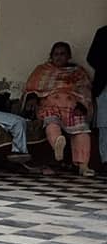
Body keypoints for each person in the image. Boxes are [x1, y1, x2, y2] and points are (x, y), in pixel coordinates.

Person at [25, 42, 96, 176]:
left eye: (62, 54)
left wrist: (82, 106)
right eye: (56, 54)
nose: (59, 57)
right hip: (50, 106)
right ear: (51, 56)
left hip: (72, 107)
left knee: (82, 129)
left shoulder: (78, 72)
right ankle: (58, 143)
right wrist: (32, 98)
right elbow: (31, 88)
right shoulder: (42, 70)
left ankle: (83, 166)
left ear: (68, 56)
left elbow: (85, 89)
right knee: (51, 122)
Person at [89, 26, 107, 165]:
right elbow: (92, 58)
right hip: (105, 84)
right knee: (104, 124)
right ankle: (105, 160)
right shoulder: (103, 32)